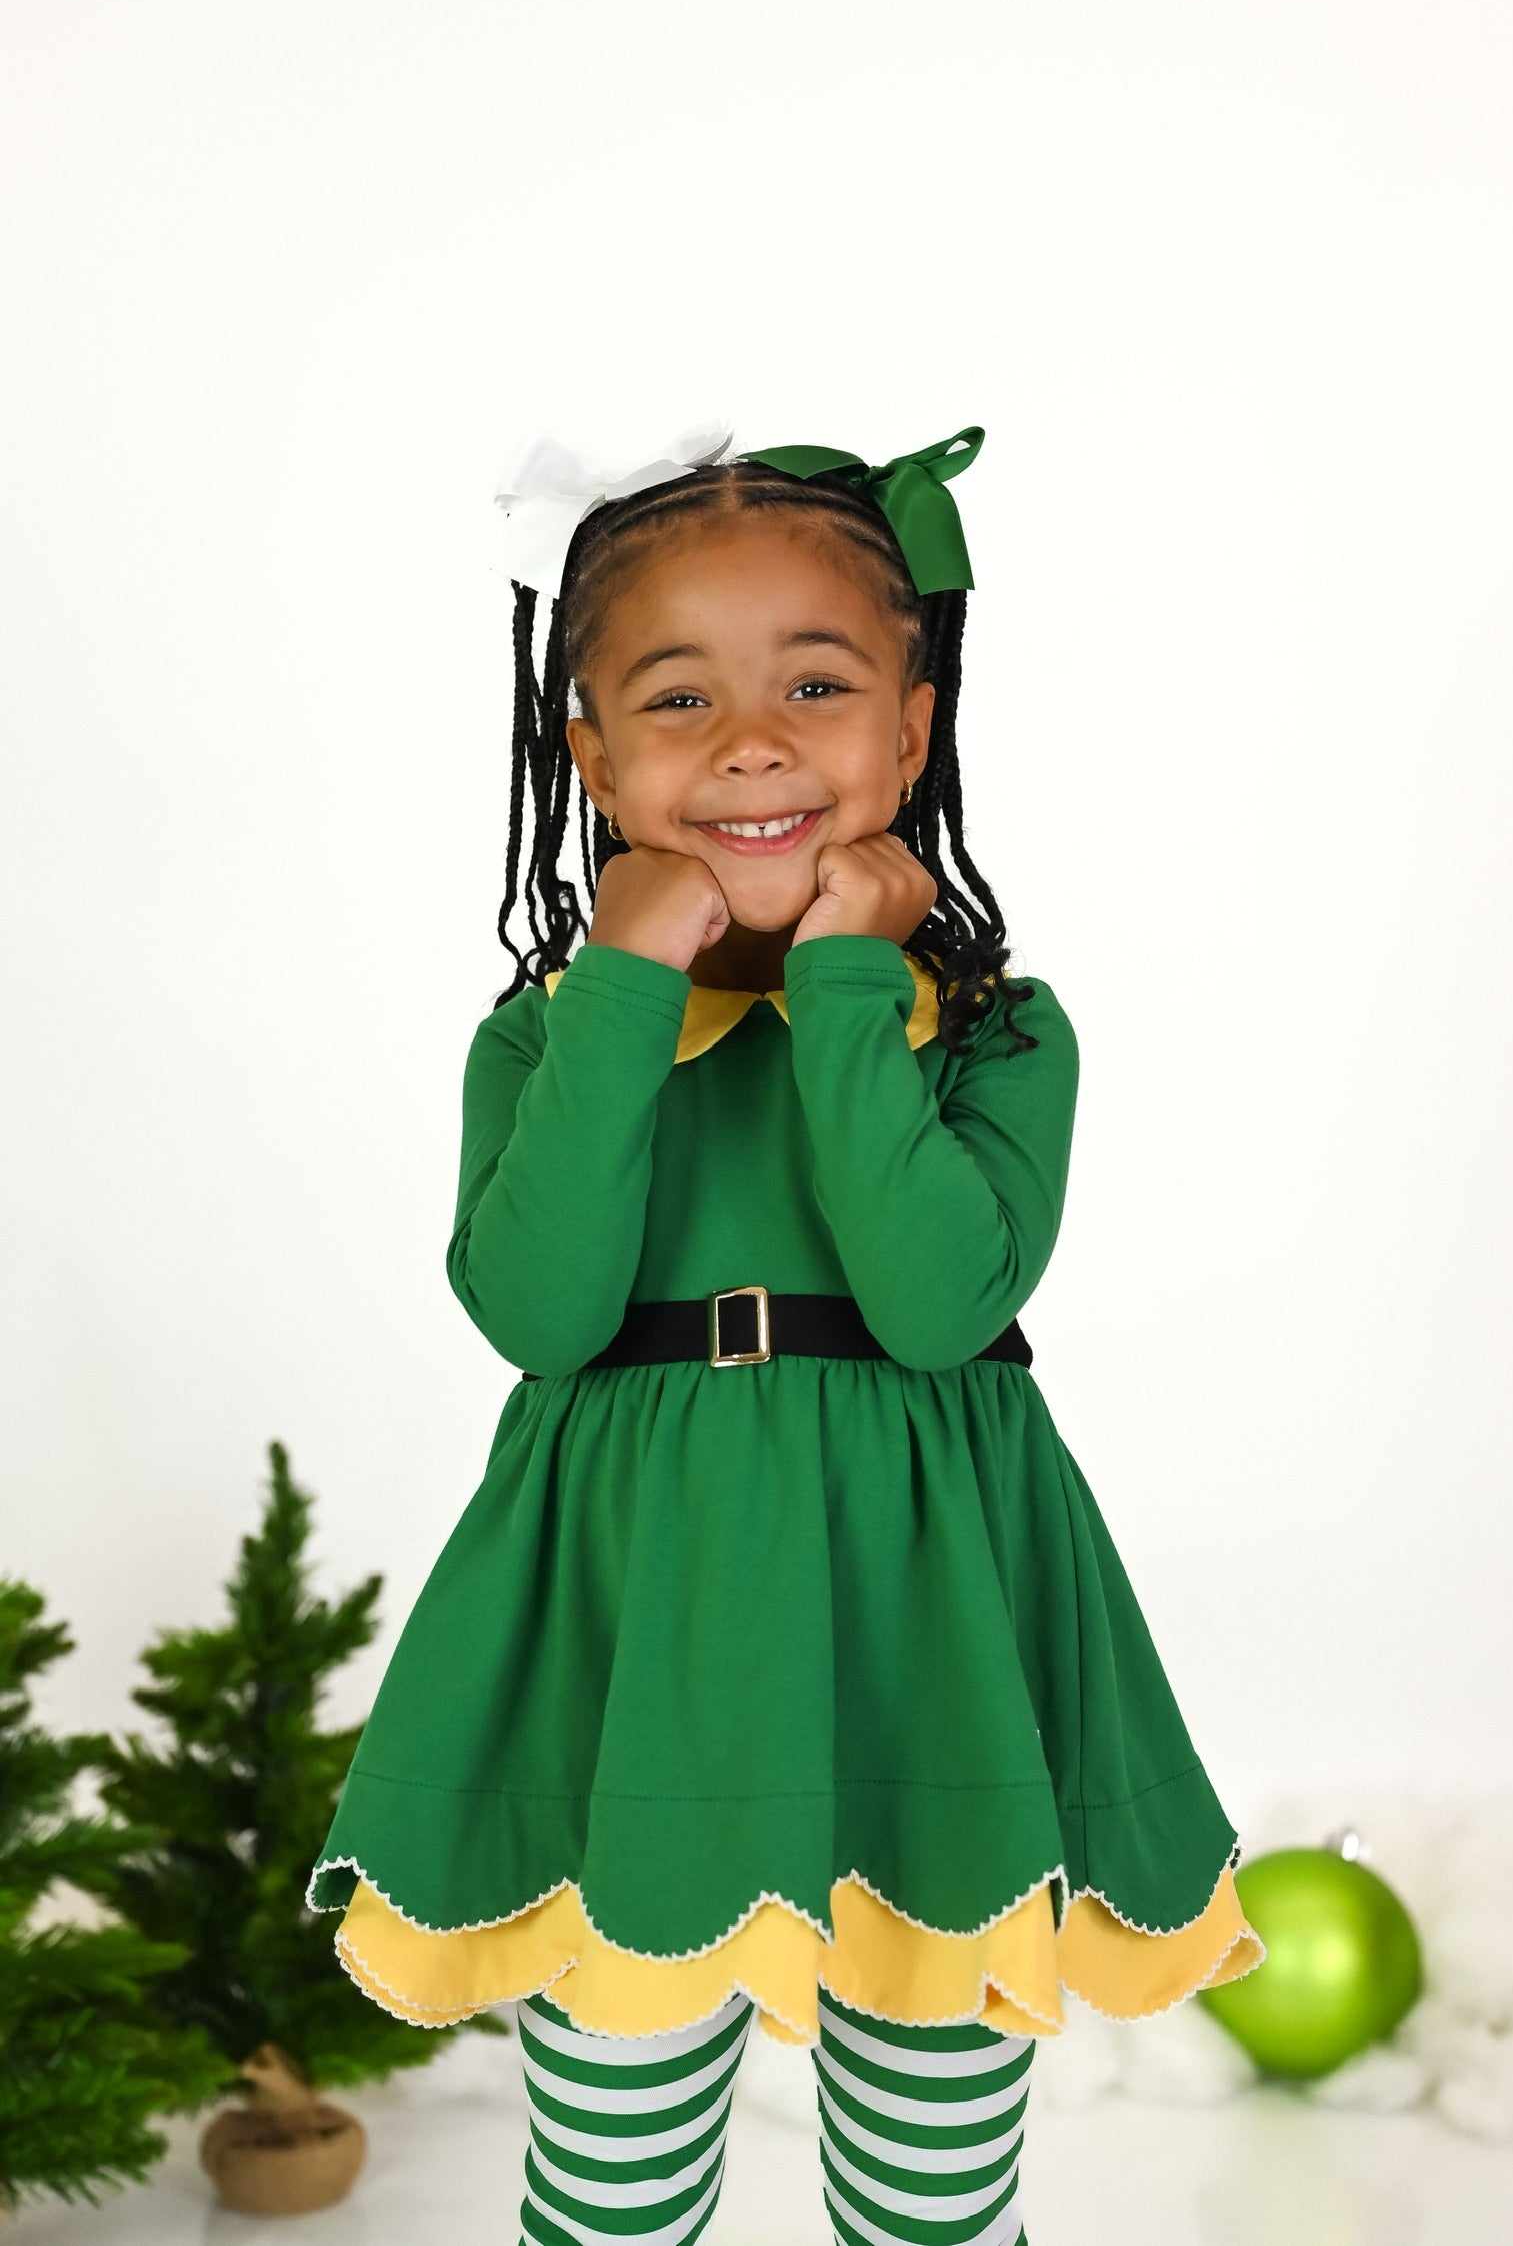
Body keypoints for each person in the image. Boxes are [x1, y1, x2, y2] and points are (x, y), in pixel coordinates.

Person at [309, 423, 1262, 2246]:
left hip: (924, 1609)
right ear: (590, 756)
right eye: (680, 698)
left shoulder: (996, 1034)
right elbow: (540, 1314)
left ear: (910, 731)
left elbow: (938, 1307)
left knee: (932, 2157)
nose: (752, 743)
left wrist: (840, 982)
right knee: (615, 2152)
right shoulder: (551, 1034)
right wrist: (622, 985)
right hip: (634, 1614)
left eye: (815, 685)